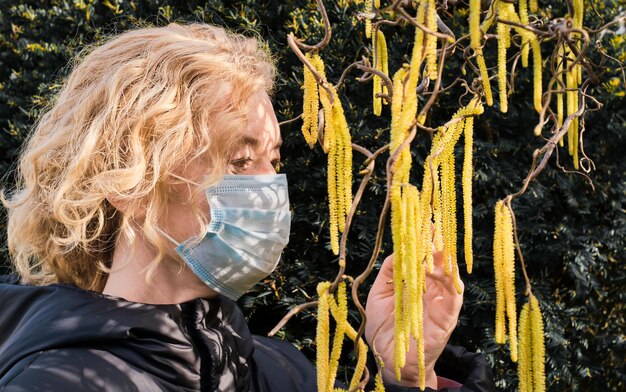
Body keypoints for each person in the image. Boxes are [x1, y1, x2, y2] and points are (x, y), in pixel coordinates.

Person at [0, 23, 496, 391]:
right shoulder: (59, 381)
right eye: (239, 160)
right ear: (129, 181)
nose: (269, 186)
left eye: (273, 159)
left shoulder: (284, 371)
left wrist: (410, 377)